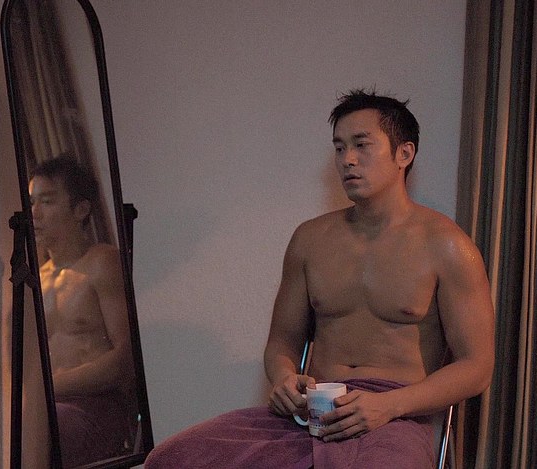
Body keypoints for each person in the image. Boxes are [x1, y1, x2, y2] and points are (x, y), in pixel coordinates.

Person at [145, 89, 495, 468]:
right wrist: (284, 379)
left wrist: (390, 405)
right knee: (171, 457)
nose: (348, 160)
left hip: (393, 416)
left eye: (361, 145)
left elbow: (476, 367)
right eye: (339, 148)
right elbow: (282, 342)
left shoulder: (447, 246)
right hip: (311, 414)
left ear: (404, 154)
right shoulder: (310, 240)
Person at [29, 156, 136, 467]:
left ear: (81, 209)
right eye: (32, 202)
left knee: (46, 426)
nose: (35, 213)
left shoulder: (102, 262)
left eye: (47, 201)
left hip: (94, 409)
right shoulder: (36, 279)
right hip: (49, 407)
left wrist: (46, 388)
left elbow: (125, 359)